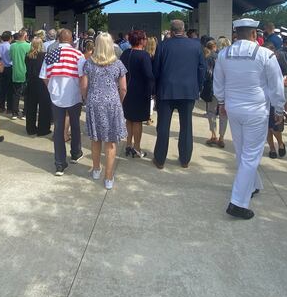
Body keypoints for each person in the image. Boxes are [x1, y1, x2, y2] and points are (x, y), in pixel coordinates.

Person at [213, 19, 285, 220]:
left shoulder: (224, 54)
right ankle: (238, 202)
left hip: (233, 108)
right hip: (256, 110)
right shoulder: (265, 54)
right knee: (250, 155)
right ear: (254, 34)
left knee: (242, 151)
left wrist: (221, 102)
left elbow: (218, 82)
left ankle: (253, 185)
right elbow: (276, 85)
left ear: (236, 33)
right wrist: (279, 109)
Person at [152, 19, 206, 169]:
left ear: (171, 30)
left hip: (166, 90)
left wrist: (155, 90)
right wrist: (198, 86)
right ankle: (185, 160)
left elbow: (156, 70)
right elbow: (202, 68)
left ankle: (160, 159)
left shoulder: (163, 46)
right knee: (186, 127)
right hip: (188, 91)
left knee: (163, 127)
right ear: (184, 29)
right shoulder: (195, 45)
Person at [80, 33, 127, 189]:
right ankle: (108, 177)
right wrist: (118, 101)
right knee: (110, 142)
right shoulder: (118, 64)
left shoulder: (89, 64)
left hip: (94, 102)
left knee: (96, 139)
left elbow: (84, 86)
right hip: (112, 104)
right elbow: (124, 88)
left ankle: (96, 169)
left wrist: (87, 99)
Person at [40, 29, 85, 176]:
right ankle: (76, 153)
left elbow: (44, 76)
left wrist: (51, 89)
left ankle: (59, 163)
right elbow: (82, 77)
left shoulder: (50, 54)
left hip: (56, 97)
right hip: (74, 96)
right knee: (75, 125)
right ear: (71, 39)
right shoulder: (78, 55)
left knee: (58, 130)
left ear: (59, 39)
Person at [120, 30, 154, 158]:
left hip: (127, 89)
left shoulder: (125, 53)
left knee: (129, 119)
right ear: (140, 41)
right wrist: (151, 91)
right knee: (138, 121)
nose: (146, 40)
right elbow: (149, 76)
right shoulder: (144, 55)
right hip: (140, 92)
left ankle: (128, 145)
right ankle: (137, 148)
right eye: (144, 38)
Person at [202, 39, 228, 148]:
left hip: (212, 89)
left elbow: (207, 73)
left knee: (211, 112)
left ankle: (213, 135)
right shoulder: (226, 59)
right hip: (225, 89)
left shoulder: (209, 58)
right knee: (223, 114)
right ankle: (221, 137)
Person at [24, 38, 52, 136]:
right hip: (42, 82)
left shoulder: (27, 56)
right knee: (44, 107)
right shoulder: (44, 56)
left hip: (31, 82)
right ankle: (43, 129)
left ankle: (30, 128)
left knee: (31, 106)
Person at [9, 31, 30, 120]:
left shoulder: (12, 46)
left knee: (15, 93)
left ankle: (14, 113)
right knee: (26, 94)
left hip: (15, 71)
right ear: (25, 36)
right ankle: (25, 113)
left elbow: (10, 57)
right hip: (25, 71)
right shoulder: (28, 46)